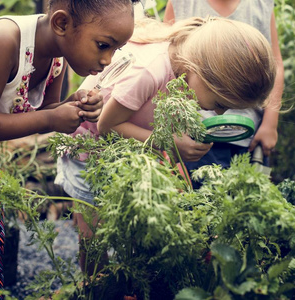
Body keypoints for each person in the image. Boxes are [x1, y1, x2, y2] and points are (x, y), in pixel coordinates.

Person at [0, 0, 140, 298]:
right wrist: (51, 116)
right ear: (61, 24)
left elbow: (46, 113)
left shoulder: (55, 55)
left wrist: (72, 106)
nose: (108, 60)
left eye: (116, 49)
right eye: (103, 45)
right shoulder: (5, 41)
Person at [55, 15, 276, 272]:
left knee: (136, 224)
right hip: (89, 152)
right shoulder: (150, 71)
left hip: (127, 148)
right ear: (200, 68)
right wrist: (170, 146)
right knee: (94, 234)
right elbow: (107, 125)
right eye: (220, 103)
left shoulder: (186, 67)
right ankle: (93, 287)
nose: (218, 113)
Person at [163, 0, 284, 187]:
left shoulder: (262, 4)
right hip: (197, 136)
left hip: (252, 136)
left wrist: (270, 123)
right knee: (201, 202)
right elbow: (167, 64)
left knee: (251, 201)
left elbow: (275, 64)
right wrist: (175, 131)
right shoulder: (181, 3)